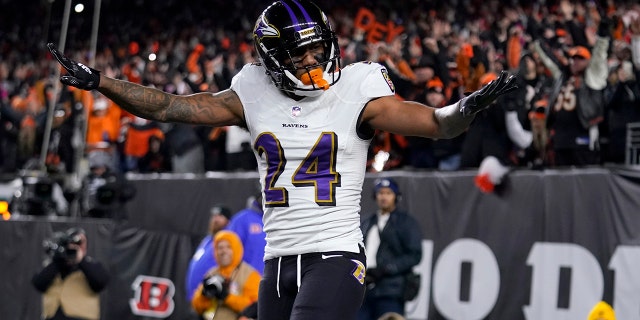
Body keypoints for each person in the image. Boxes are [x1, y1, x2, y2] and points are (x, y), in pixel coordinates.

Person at [47, 1, 516, 318]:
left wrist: (466, 108)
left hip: (334, 256)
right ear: (273, 59)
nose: (315, 58)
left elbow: (435, 123)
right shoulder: (252, 91)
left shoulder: (357, 88)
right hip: (277, 261)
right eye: (301, 51)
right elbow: (171, 106)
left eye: (318, 46)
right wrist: (102, 83)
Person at [358, 178, 422, 320]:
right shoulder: (367, 221)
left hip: (390, 290)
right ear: (375, 196)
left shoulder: (406, 222)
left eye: (388, 193)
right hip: (364, 288)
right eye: (380, 193)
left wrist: (387, 268)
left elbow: (415, 255)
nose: (384, 196)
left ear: (396, 196)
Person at [32, 227, 110, 320]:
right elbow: (38, 283)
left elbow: (100, 282)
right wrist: (59, 259)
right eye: (74, 243)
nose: (77, 246)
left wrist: (80, 261)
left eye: (81, 243)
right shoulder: (55, 264)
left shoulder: (91, 265)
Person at [191, 230, 261, 320]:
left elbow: (256, 308)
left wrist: (226, 297)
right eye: (220, 248)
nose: (224, 251)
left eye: (228, 247)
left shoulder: (250, 274)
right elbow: (197, 307)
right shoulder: (212, 273)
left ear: (236, 248)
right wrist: (204, 294)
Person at [186, 204, 233, 301]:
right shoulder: (208, 240)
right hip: (196, 297)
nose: (215, 219)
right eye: (214, 216)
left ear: (228, 221)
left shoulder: (228, 240)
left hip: (211, 296)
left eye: (220, 216)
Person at [227, 193, 266, 274]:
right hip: (247, 281)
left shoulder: (279, 219)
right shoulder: (242, 220)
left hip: (275, 280)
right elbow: (228, 251)